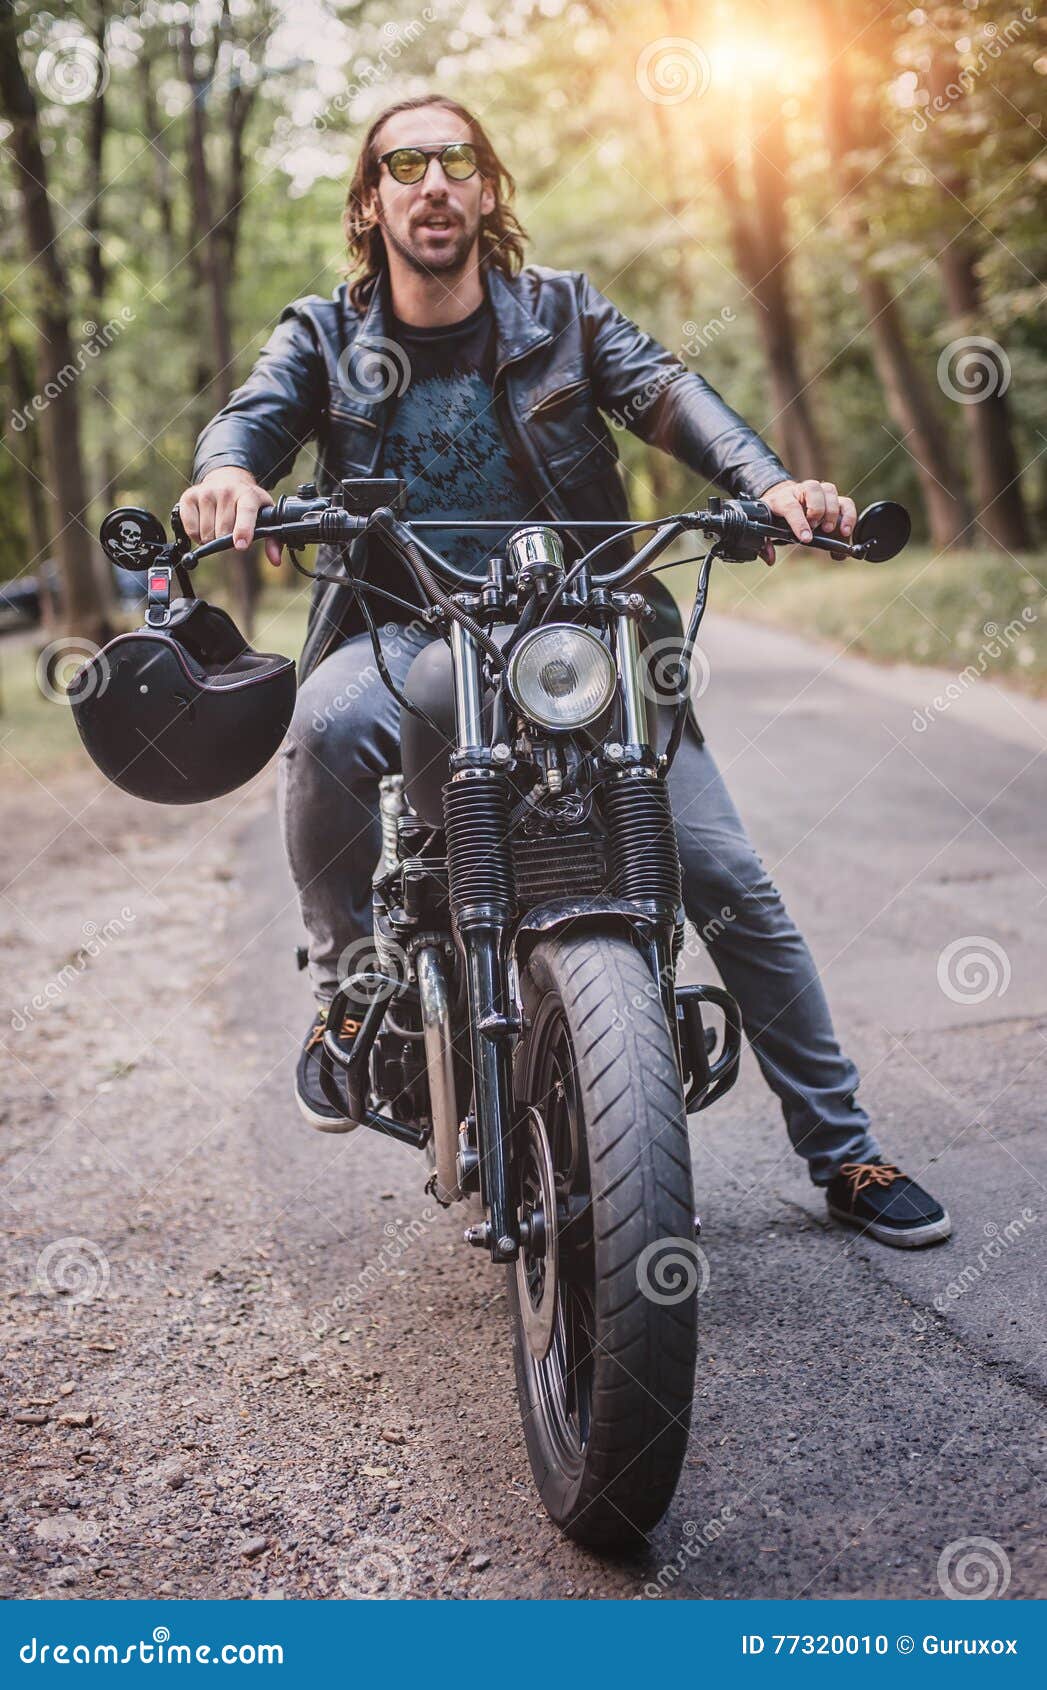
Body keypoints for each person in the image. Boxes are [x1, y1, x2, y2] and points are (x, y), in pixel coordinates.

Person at [180, 94, 950, 1249]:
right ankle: (350, 992)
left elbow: (671, 397)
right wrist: (229, 476)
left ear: (488, 190)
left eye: (456, 160)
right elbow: (250, 422)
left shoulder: (566, 315)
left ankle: (843, 1151)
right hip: (410, 635)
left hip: (587, 631)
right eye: (406, 163)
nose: (433, 182)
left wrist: (773, 482)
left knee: (728, 877)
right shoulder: (323, 337)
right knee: (324, 728)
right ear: (372, 199)